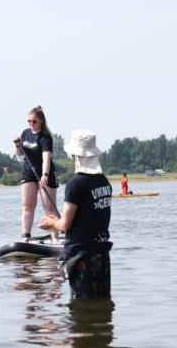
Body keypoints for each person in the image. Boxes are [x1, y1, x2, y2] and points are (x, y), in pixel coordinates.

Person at [39, 130, 112, 299]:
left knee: (82, 306)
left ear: (75, 156)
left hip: (81, 258)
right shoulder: (104, 182)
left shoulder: (75, 184)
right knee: (102, 302)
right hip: (101, 255)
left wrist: (51, 223)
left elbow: (65, 224)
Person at [14, 105, 59, 242]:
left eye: (34, 121)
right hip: (29, 173)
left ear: (41, 121)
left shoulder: (45, 138)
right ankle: (26, 236)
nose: (31, 124)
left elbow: (46, 159)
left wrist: (45, 175)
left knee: (49, 207)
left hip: (45, 173)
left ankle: (55, 238)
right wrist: (17, 144)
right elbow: (19, 154)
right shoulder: (25, 133)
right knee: (27, 206)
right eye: (29, 121)